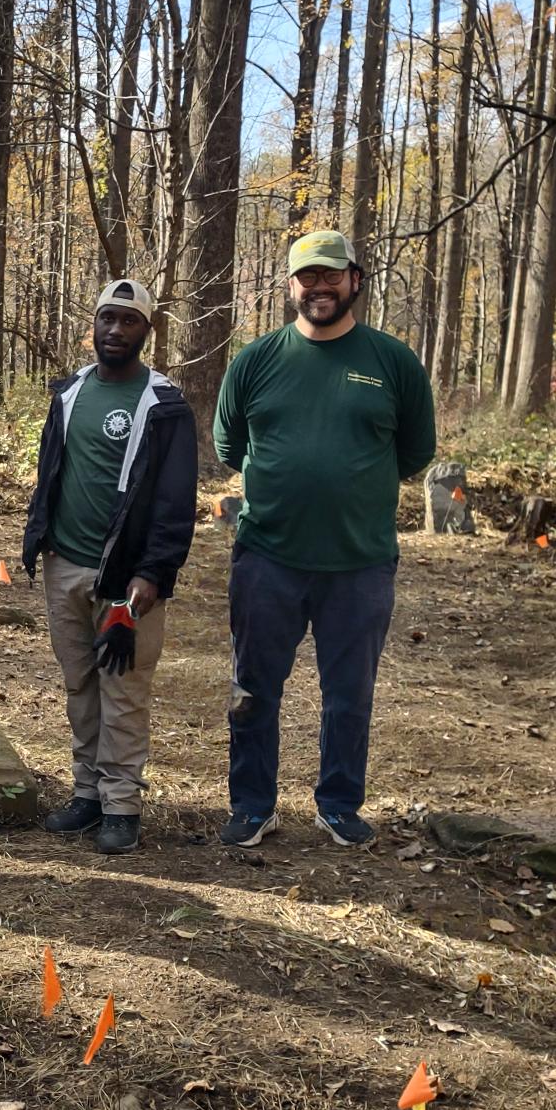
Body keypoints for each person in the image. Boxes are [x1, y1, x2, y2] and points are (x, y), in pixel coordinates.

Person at [213, 229, 436, 849]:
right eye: (307, 276)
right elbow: (230, 445)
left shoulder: (392, 362)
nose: (319, 287)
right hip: (267, 558)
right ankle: (253, 805)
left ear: (354, 280)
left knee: (349, 695)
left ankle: (338, 804)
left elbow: (416, 452)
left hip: (359, 564)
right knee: (253, 689)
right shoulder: (255, 361)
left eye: (331, 275)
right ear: (291, 285)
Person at [20, 278, 198, 855]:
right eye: (107, 319)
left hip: (127, 579)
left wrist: (153, 574)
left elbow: (174, 502)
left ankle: (122, 804)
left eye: (128, 321)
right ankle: (87, 793)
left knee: (124, 687)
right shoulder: (70, 393)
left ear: (147, 330)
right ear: (92, 324)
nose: (115, 330)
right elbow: (51, 472)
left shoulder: (165, 406)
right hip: (65, 567)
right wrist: (38, 540)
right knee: (80, 683)